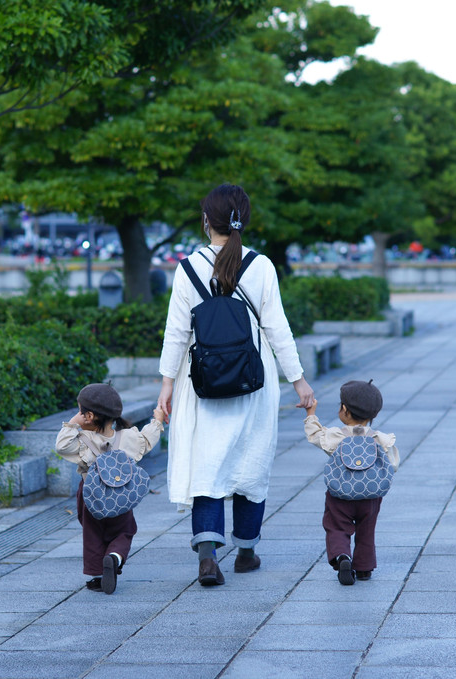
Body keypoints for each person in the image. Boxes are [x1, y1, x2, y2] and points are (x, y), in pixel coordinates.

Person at [157, 183, 315, 587]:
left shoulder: (187, 267)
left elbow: (176, 333)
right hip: (254, 381)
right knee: (250, 462)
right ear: (242, 218)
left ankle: (208, 555)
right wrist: (299, 382)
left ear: (206, 220)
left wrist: (166, 387)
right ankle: (246, 552)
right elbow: (278, 329)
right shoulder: (260, 266)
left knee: (207, 465)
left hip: (202, 382)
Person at [56, 383, 165, 594]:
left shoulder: (82, 441)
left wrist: (71, 425)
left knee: (93, 533)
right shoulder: (129, 438)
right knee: (125, 531)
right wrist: (157, 420)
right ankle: (114, 557)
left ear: (88, 416)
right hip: (121, 495)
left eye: (80, 412)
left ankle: (97, 577)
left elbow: (61, 446)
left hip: (91, 496)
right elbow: (148, 438)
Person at [303, 380, 399, 585]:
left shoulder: (336, 437)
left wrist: (311, 414)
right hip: (370, 496)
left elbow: (316, 436)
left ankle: (342, 557)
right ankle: (364, 568)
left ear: (344, 410)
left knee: (336, 526)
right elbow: (393, 464)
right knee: (367, 529)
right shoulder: (380, 439)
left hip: (340, 494)